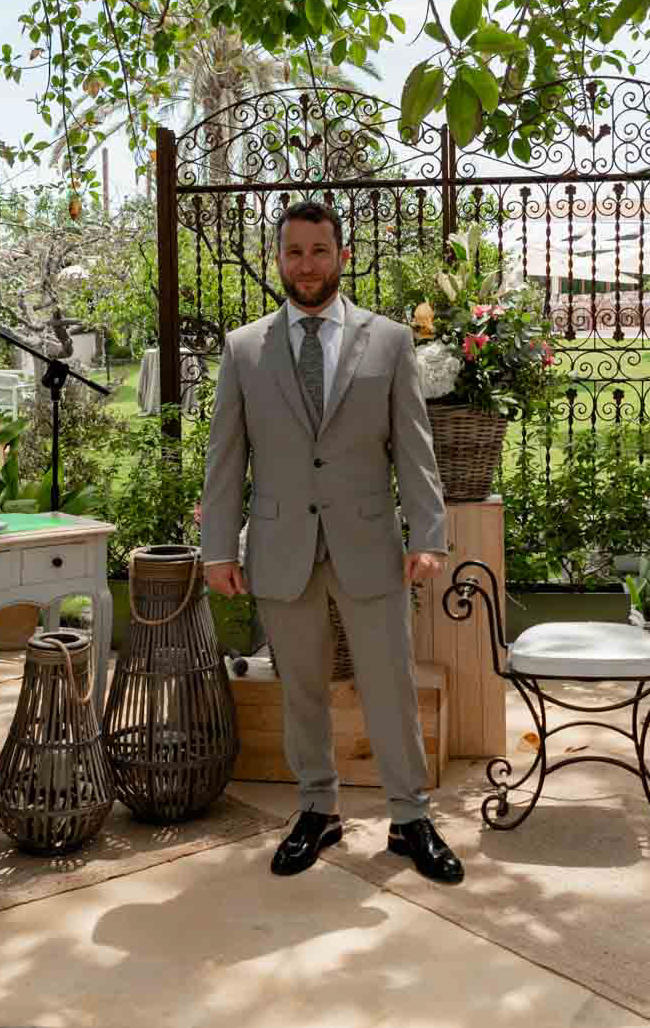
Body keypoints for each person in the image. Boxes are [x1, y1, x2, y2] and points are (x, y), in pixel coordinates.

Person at [201, 200, 463, 884]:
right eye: (294, 252)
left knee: (390, 687)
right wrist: (220, 549)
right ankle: (317, 809)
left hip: (369, 543)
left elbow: (414, 447)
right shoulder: (244, 348)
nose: (307, 265)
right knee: (303, 691)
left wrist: (428, 533)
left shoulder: (389, 341)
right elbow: (226, 458)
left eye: (320, 251)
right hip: (282, 546)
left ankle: (411, 818)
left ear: (343, 256)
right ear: (278, 259)